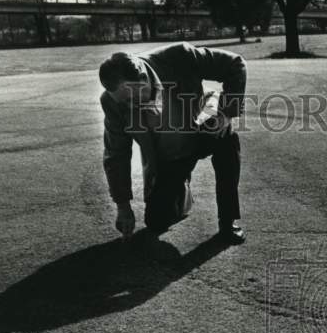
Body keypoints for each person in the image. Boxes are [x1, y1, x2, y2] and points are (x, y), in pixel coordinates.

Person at [98, 43, 247, 244]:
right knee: (156, 222)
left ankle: (227, 222)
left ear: (143, 80)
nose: (127, 106)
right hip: (170, 156)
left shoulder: (181, 56)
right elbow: (116, 153)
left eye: (130, 99)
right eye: (121, 102)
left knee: (227, 139)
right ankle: (181, 188)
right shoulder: (112, 101)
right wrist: (123, 207)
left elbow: (235, 64)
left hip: (202, 126)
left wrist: (228, 112)